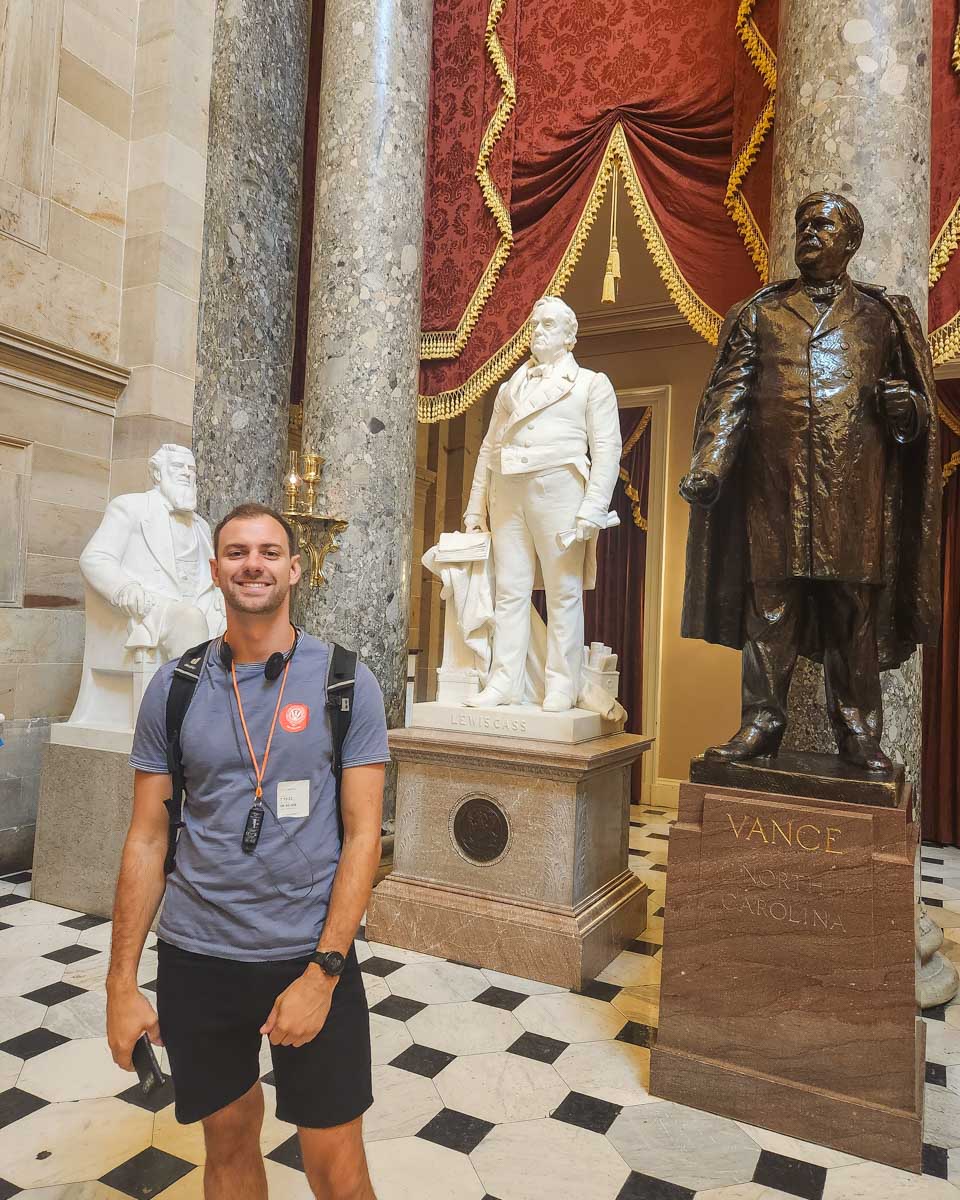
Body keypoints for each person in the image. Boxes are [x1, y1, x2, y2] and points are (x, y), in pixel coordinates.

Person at [106, 501, 388, 1200]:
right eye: (236, 552)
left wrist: (323, 973)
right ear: (215, 571)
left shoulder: (346, 682)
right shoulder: (174, 688)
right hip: (199, 956)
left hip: (306, 953)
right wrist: (119, 982)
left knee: (338, 1167)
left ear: (295, 568)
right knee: (228, 1144)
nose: (252, 564)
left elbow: (362, 838)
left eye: (268, 552)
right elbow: (145, 836)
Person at [680, 192, 941, 771]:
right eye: (803, 225)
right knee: (768, 613)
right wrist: (710, 463)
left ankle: (857, 732)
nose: (809, 233)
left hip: (853, 495)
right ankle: (761, 725)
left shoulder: (882, 317)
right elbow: (731, 395)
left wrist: (907, 412)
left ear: (851, 242)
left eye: (823, 225)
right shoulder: (761, 313)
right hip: (774, 491)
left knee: (853, 615)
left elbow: (917, 413)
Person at [463, 295, 621, 711]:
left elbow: (607, 450)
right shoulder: (509, 388)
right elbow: (488, 448)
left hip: (560, 489)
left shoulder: (590, 383)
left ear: (570, 336)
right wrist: (474, 508)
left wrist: (592, 507)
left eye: (548, 325)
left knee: (563, 591)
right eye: (534, 325)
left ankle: (561, 684)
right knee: (509, 591)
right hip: (508, 489)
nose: (538, 332)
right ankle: (504, 682)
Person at [68, 443, 226, 730]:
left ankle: (235, 712)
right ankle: (193, 721)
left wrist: (220, 594)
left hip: (196, 605)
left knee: (241, 615)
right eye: (178, 467)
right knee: (189, 619)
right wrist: (123, 587)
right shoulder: (130, 507)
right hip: (150, 609)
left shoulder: (201, 526)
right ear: (157, 473)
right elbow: (95, 557)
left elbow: (211, 575)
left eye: (191, 469)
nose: (187, 474)